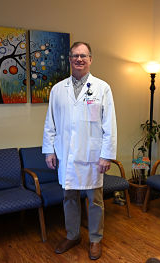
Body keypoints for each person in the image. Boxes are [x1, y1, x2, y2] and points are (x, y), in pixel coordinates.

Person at [42, 41, 117, 260]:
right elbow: (50, 123)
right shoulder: (58, 89)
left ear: (90, 59)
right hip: (66, 154)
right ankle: (73, 235)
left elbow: (109, 124)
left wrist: (106, 155)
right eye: (75, 55)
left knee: (95, 200)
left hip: (92, 156)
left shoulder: (102, 88)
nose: (79, 59)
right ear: (70, 59)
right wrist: (49, 151)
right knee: (69, 198)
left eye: (83, 56)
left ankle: (95, 239)